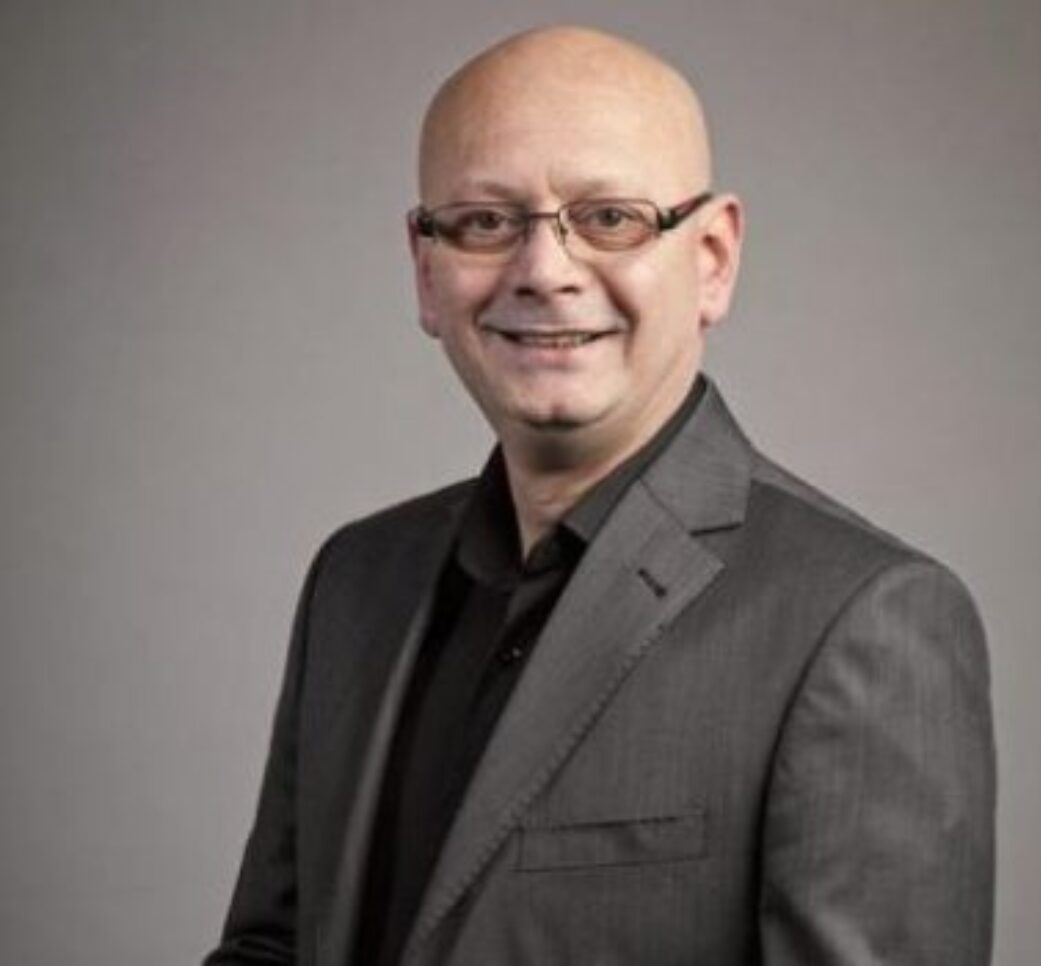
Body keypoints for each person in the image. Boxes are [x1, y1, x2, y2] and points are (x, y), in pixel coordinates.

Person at [204, 25, 995, 966]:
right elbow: (273, 948)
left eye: (611, 217)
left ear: (712, 258)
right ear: (425, 271)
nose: (545, 271)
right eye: (486, 222)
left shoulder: (859, 618)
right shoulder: (355, 580)